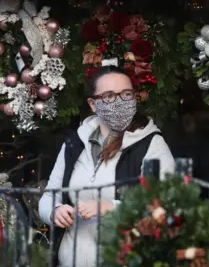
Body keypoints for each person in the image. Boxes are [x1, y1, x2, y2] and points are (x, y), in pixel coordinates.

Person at [38, 65, 175, 267]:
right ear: (93, 104)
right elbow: (50, 195)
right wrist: (54, 211)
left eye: (126, 94)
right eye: (109, 96)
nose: (119, 102)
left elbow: (167, 209)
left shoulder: (151, 144)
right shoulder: (76, 143)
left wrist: (111, 207)